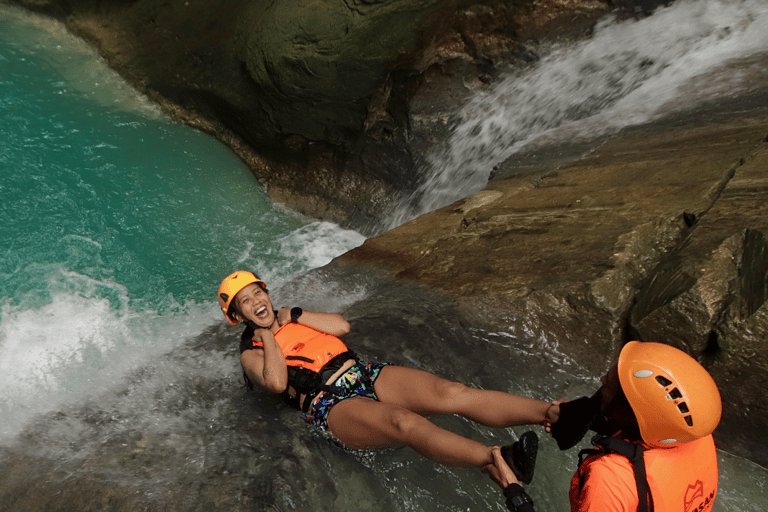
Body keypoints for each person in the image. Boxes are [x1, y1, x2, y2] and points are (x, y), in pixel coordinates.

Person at [217, 270, 558, 472]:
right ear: (238, 316)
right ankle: (497, 459)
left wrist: (295, 314)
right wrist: (265, 335)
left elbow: (341, 326)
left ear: (266, 291)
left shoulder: (290, 314)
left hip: (361, 372)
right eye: (245, 301)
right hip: (328, 404)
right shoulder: (251, 352)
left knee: (450, 392)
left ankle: (551, 413)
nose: (256, 301)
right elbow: (276, 383)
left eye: (257, 292)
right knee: (403, 422)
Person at [484, 340, 722, 512]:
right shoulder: (693, 434)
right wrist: (585, 416)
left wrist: (515, 493)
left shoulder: (610, 480)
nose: (601, 380)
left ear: (627, 413)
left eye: (609, 385)